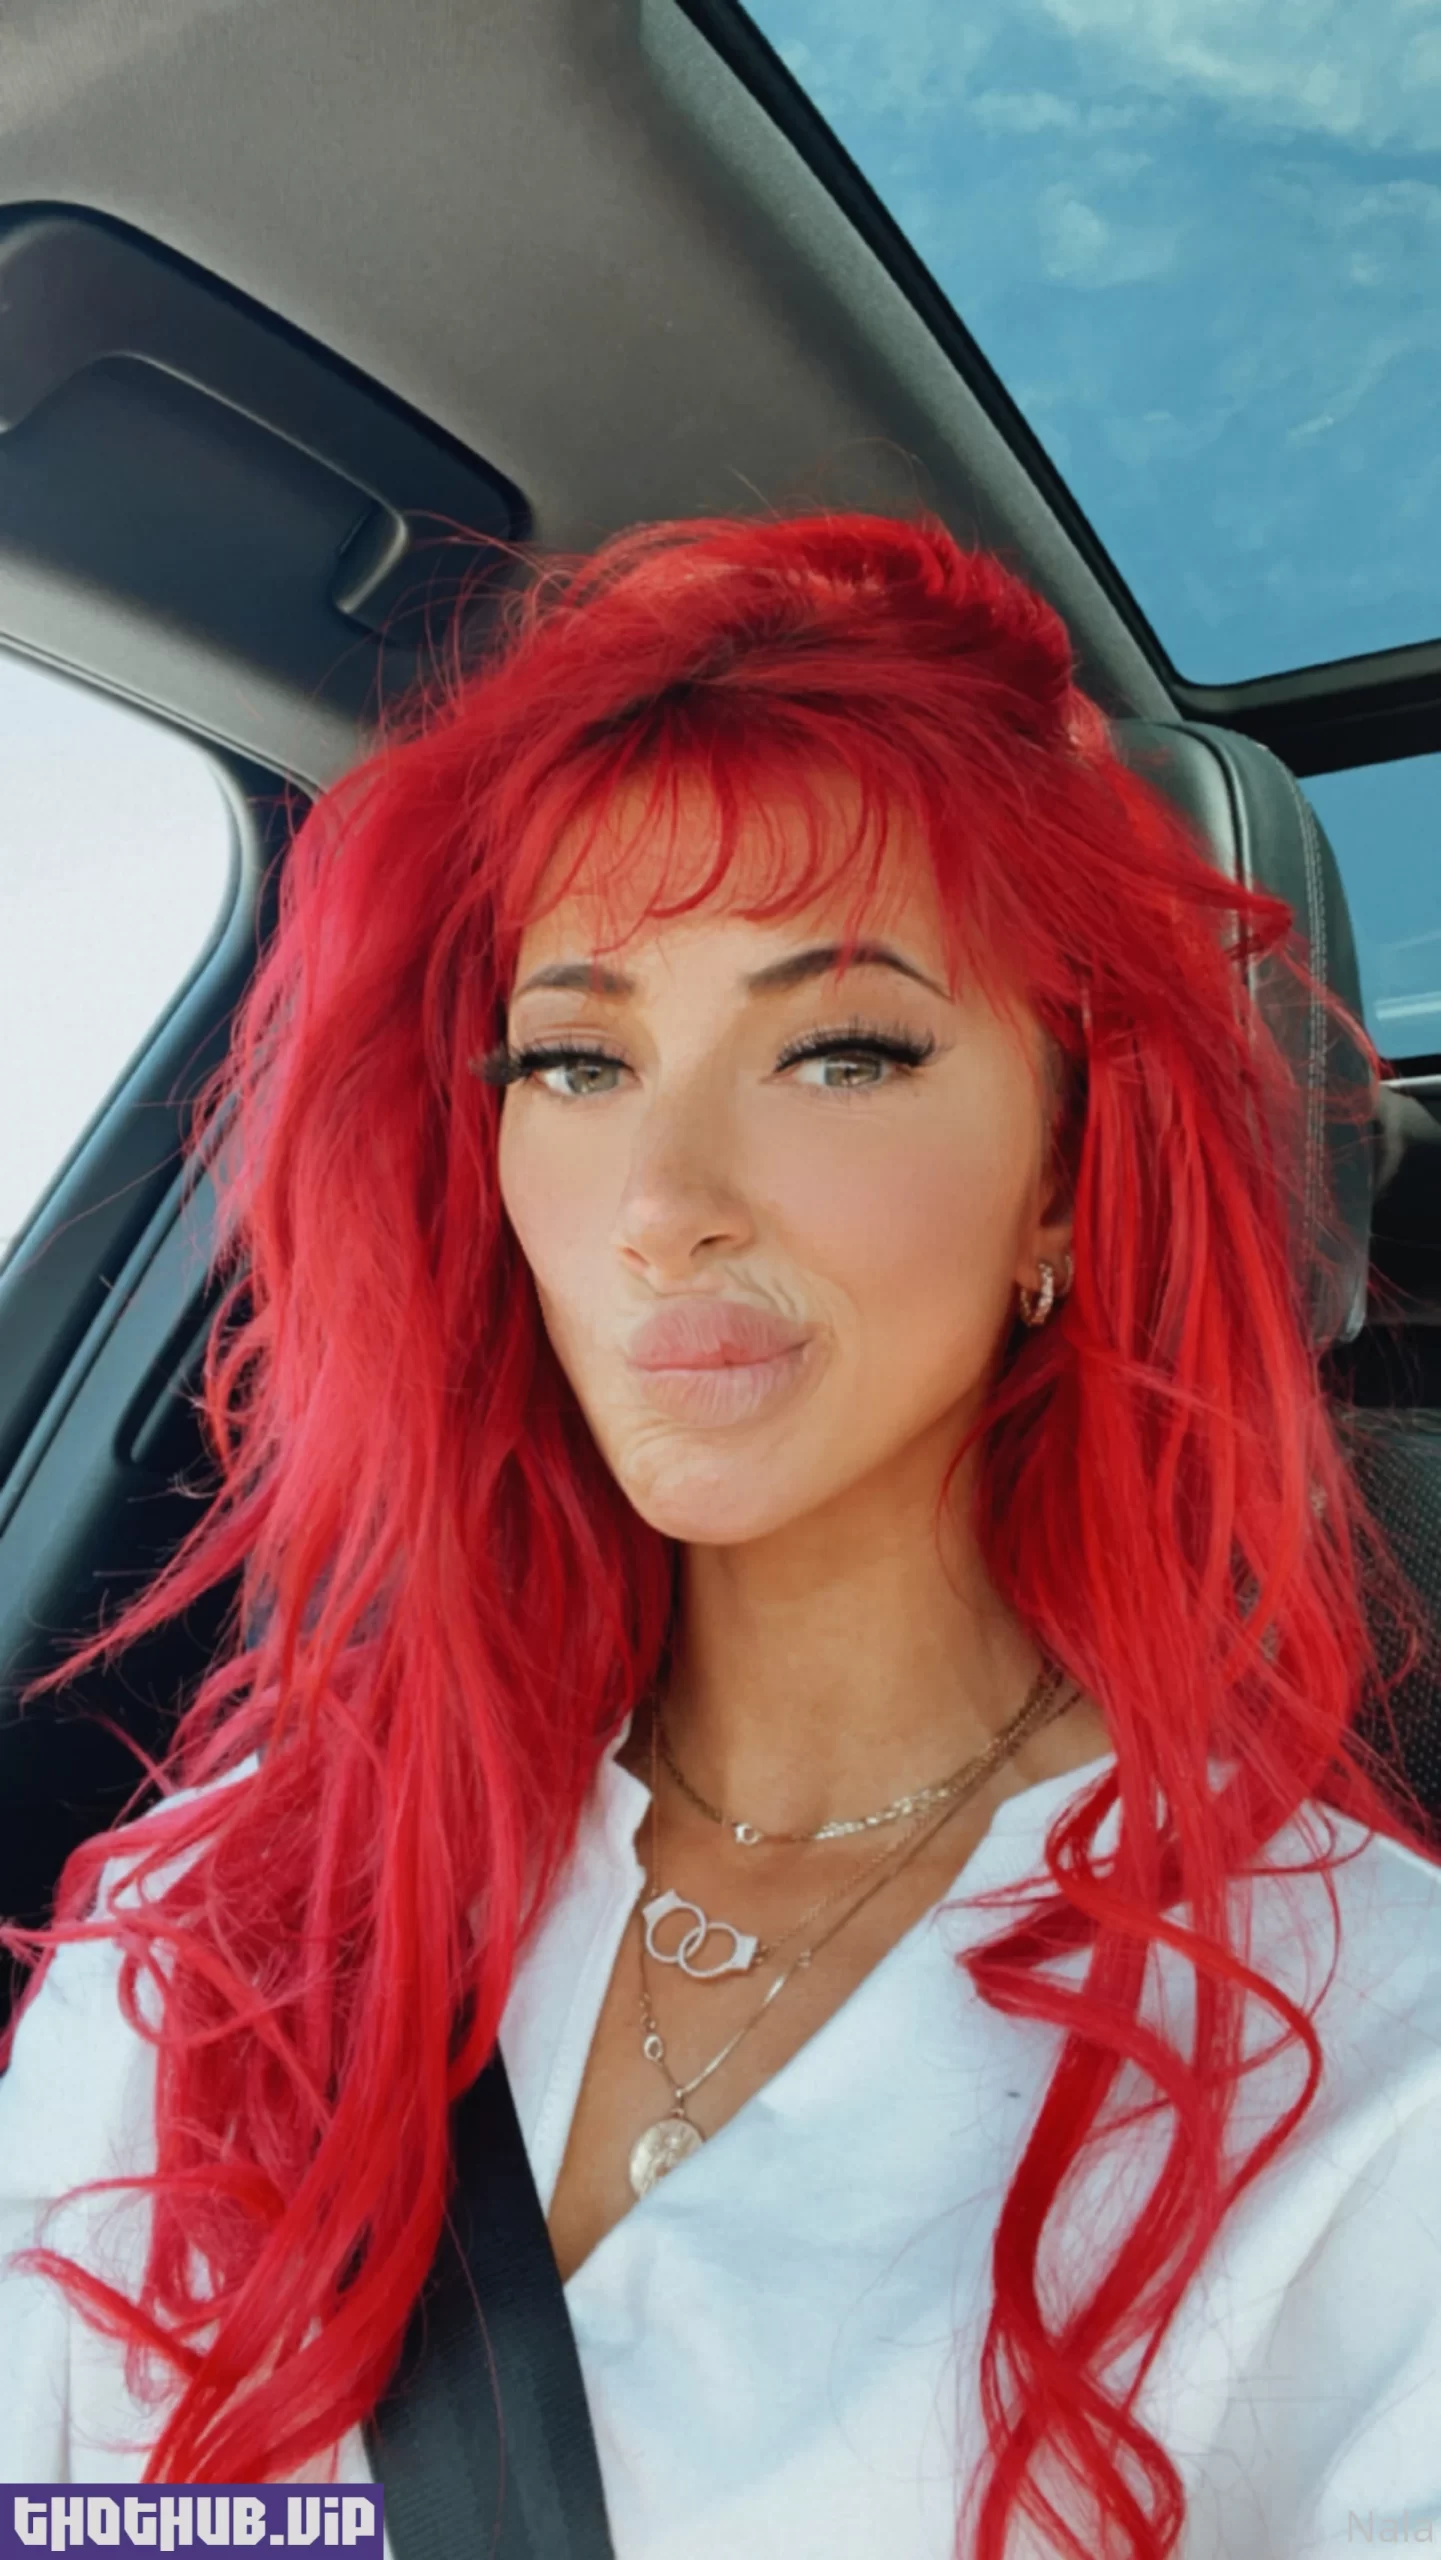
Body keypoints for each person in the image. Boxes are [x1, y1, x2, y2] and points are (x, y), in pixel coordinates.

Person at [2, 511, 1440, 2560]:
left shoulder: (1370, 2068)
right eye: (578, 1057)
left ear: (1061, 1175)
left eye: (840, 1048)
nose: (662, 1200)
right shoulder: (219, 1914)